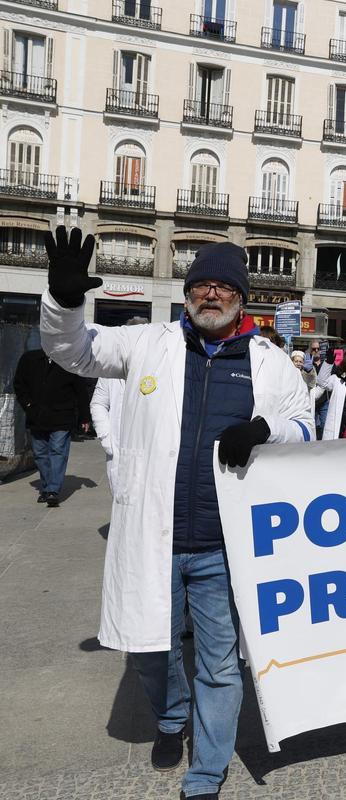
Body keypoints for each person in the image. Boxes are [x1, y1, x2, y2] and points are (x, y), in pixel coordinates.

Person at [39, 227, 313, 800]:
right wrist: (64, 302)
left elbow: (304, 429)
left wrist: (266, 428)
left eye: (222, 287)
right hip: (153, 539)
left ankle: (206, 772)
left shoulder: (270, 364)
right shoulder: (146, 342)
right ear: (187, 294)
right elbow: (73, 349)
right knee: (147, 648)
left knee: (218, 663)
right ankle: (171, 718)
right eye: (201, 285)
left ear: (241, 298)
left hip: (222, 546)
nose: (210, 295)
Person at [14, 344, 92, 507]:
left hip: (62, 415)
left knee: (57, 451)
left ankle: (52, 491)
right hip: (37, 416)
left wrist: (85, 417)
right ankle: (46, 487)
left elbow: (81, 390)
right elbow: (20, 384)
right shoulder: (30, 359)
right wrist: (28, 405)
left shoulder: (69, 361)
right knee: (40, 453)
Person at [90, 316, 149, 493]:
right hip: (117, 447)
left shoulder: (157, 368)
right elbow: (98, 403)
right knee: (119, 498)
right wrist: (106, 436)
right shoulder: (110, 371)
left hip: (148, 449)